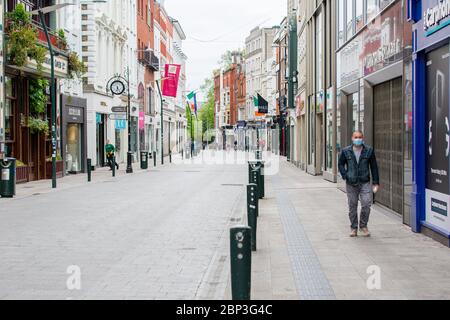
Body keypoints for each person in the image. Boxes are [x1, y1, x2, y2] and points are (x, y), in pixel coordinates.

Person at [338, 131, 380, 238]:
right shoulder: (346, 151)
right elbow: (340, 164)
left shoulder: (369, 150)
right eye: (356, 137)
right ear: (352, 138)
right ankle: (353, 228)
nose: (358, 139)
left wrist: (376, 182)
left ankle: (363, 225)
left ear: (363, 138)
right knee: (352, 206)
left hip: (364, 182)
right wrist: (345, 175)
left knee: (366, 204)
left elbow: (374, 167)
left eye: (360, 137)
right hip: (351, 183)